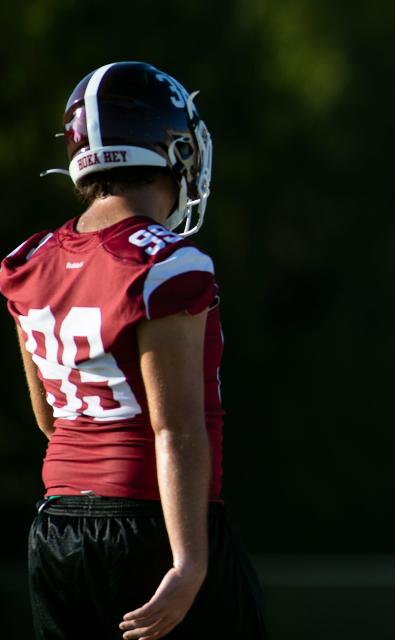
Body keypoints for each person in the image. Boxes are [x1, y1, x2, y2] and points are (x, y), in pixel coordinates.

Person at [0, 61, 266, 639]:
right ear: (175, 149)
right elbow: (176, 430)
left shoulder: (28, 260)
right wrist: (190, 562)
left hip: (57, 528)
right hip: (152, 523)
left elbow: (49, 417)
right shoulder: (165, 263)